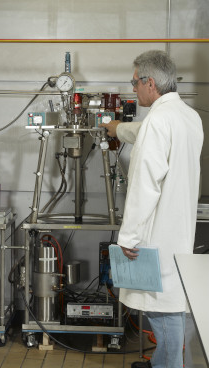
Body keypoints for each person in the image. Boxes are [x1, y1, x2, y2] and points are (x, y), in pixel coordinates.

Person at [101, 50, 203, 368]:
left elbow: (145, 184)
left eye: (134, 82)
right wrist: (117, 128)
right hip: (179, 232)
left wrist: (128, 236)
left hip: (155, 235)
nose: (133, 89)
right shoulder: (188, 116)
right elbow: (144, 133)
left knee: (164, 309)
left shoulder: (159, 119)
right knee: (168, 305)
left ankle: (169, 365)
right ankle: (163, 362)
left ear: (149, 82)